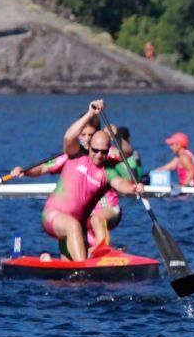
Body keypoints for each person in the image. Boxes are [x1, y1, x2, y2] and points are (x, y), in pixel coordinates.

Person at [37, 100, 144, 261]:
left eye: (90, 135)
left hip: (94, 214)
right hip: (70, 217)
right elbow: (45, 166)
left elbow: (125, 157)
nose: (86, 139)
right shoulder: (73, 154)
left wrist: (133, 188)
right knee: (73, 240)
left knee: (90, 225)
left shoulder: (106, 159)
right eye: (83, 135)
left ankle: (101, 254)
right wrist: (23, 172)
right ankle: (68, 262)